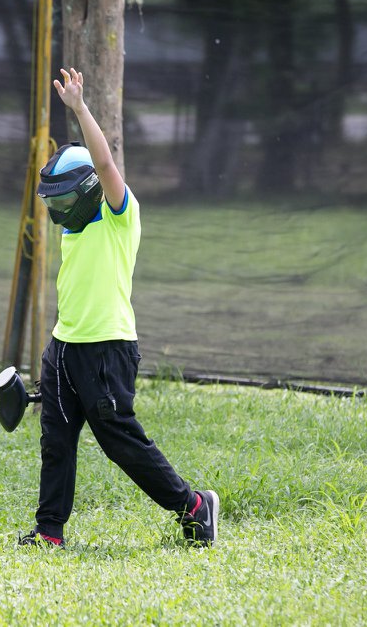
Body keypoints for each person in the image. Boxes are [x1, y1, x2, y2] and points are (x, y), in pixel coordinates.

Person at [18, 67, 218, 549]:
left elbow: (106, 165)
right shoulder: (73, 228)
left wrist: (80, 108)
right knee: (56, 442)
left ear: (88, 189)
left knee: (120, 442)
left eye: (63, 196)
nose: (56, 207)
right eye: (52, 199)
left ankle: (194, 506)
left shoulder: (118, 217)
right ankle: (50, 533)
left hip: (107, 349)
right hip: (64, 347)